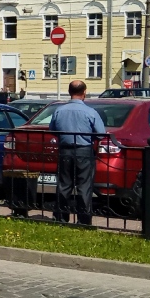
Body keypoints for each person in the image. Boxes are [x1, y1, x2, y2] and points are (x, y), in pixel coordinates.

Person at [48, 80, 106, 225]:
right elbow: (100, 134)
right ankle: (84, 220)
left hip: (65, 150)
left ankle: (61, 218)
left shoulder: (59, 110)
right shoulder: (90, 112)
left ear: (69, 92)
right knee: (84, 187)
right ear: (84, 92)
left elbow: (52, 129)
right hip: (84, 151)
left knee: (63, 185)